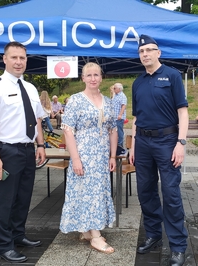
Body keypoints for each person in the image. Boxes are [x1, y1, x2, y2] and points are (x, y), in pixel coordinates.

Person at [0, 41, 46, 263]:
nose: (19, 62)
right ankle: (3, 245)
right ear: (4, 59)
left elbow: (36, 119)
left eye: (22, 58)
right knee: (5, 201)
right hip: (6, 151)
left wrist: (41, 145)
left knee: (23, 198)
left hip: (27, 150)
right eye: (14, 57)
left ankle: (18, 235)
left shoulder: (30, 88)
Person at [129, 34, 188, 266]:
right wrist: (133, 146)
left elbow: (182, 112)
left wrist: (180, 143)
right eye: (142, 51)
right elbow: (136, 118)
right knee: (145, 191)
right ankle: (153, 235)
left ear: (158, 53)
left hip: (167, 141)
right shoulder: (138, 82)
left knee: (171, 194)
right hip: (142, 143)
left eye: (150, 50)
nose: (145, 54)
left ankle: (178, 246)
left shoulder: (172, 75)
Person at [59, 62, 117, 255]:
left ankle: (86, 230)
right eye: (89, 75)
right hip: (83, 154)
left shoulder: (108, 101)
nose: (93, 78)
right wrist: (75, 159)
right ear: (83, 78)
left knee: (97, 192)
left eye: (96, 75)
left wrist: (113, 156)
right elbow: (68, 131)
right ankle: (96, 235)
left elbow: (113, 130)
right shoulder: (75, 100)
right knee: (87, 192)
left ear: (101, 77)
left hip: (101, 156)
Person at [112, 83, 127, 147]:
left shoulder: (122, 96)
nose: (114, 89)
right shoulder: (116, 95)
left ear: (119, 89)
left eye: (115, 88)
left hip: (119, 118)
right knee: (115, 131)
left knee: (120, 131)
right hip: (114, 117)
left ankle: (120, 145)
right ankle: (116, 144)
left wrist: (120, 115)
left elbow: (123, 106)